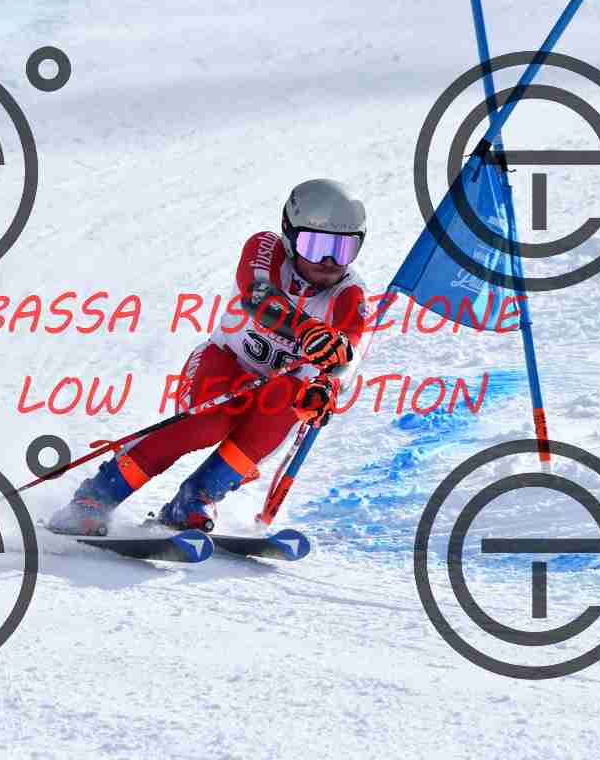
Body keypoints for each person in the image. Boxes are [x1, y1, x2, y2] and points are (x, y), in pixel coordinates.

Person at [47, 178, 371, 535]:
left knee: (291, 401)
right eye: (316, 246)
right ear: (289, 234)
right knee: (207, 422)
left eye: (343, 249)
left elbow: (348, 354)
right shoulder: (266, 247)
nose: (329, 261)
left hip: (274, 389)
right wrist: (306, 329)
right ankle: (97, 496)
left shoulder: (350, 293)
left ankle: (195, 499)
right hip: (223, 363)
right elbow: (257, 295)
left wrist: (325, 388)